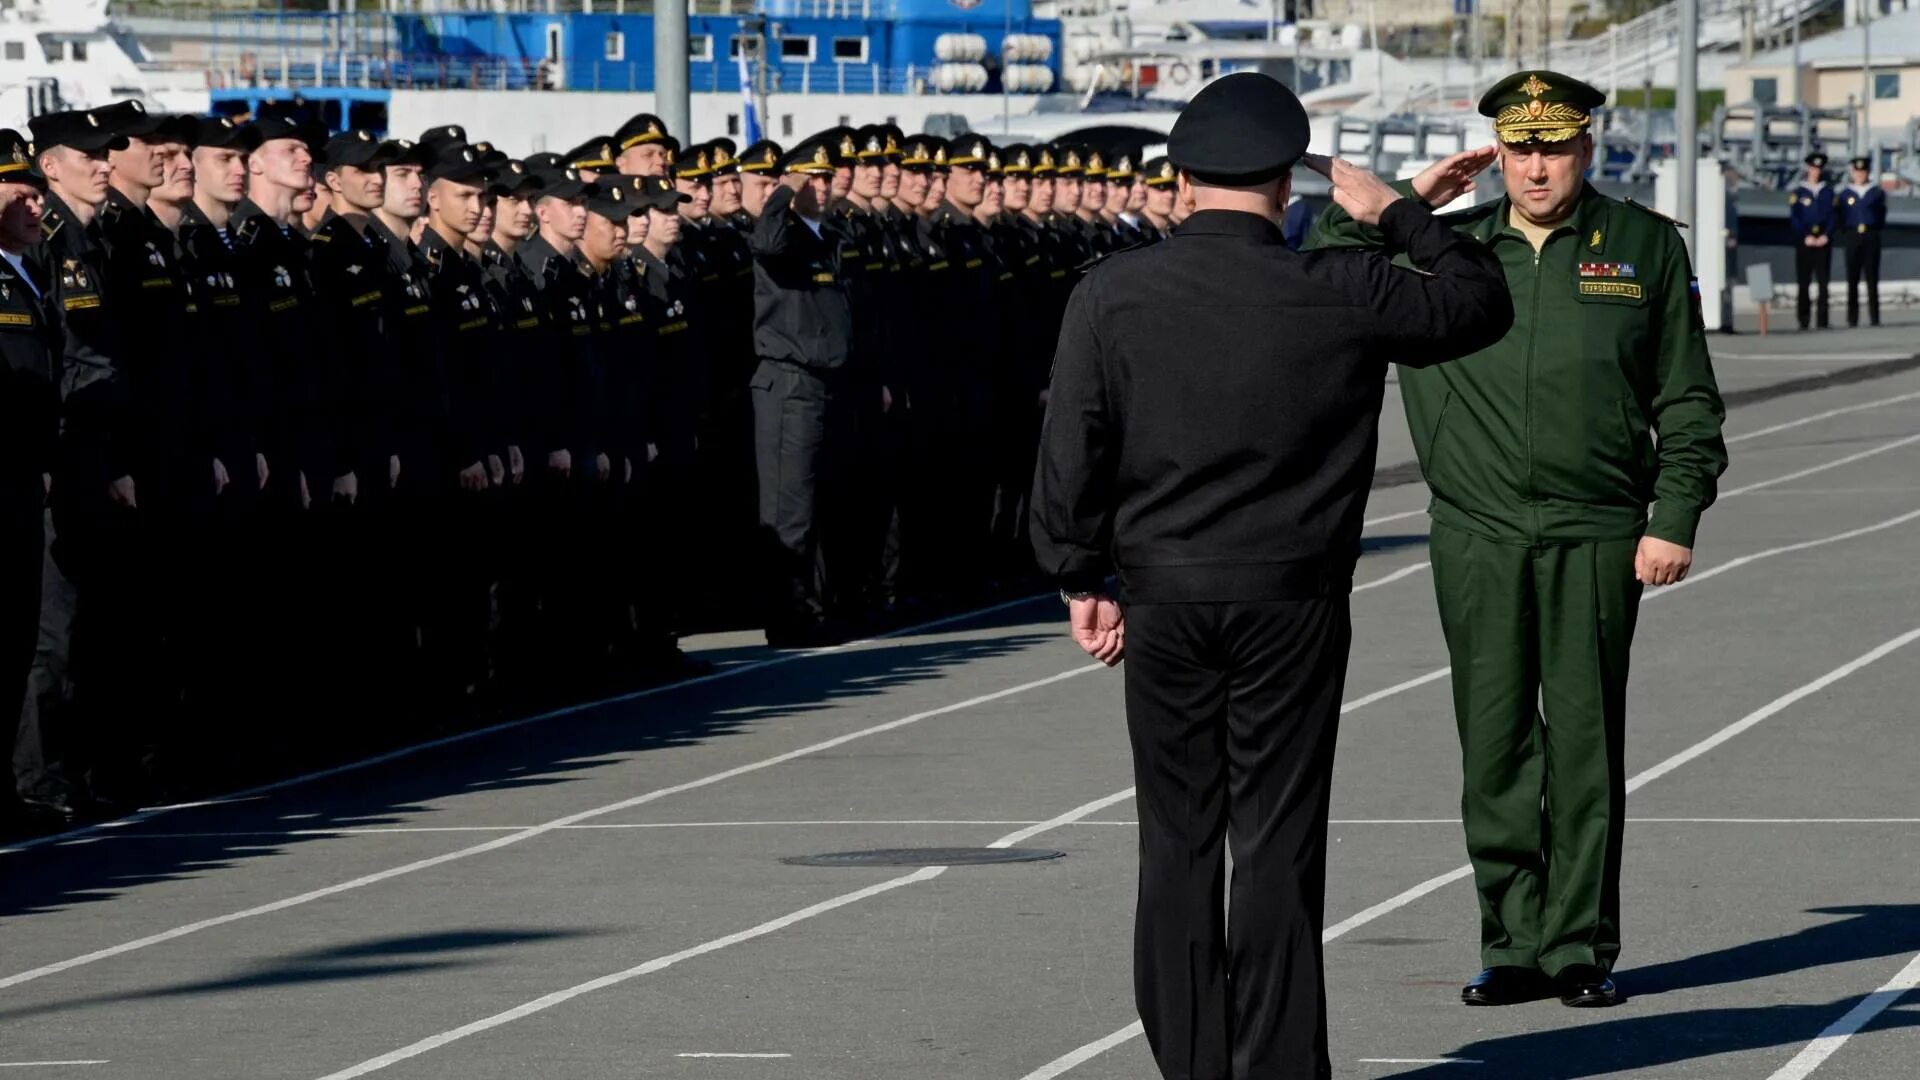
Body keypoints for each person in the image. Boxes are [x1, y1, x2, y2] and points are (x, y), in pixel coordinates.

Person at [1031, 72, 1514, 1080]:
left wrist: (1082, 578)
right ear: (1289, 185)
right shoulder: (1334, 285)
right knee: (1278, 841)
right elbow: (1478, 304)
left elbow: (1069, 450)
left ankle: (1194, 1066)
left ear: (1179, 178)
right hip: (1293, 598)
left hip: (1164, 595)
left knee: (1177, 843)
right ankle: (1282, 1066)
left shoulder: (1114, 293)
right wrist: (1402, 211)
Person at [1309, 68, 1730, 1010]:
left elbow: (1688, 398)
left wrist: (1673, 517)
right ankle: (1511, 940)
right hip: (1478, 531)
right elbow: (1318, 266)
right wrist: (1407, 202)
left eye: (1555, 146)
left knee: (1582, 743)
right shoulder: (1444, 252)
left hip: (1597, 530)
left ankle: (1577, 945)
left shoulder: (1643, 246)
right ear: (1494, 152)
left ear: (1588, 147)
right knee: (1494, 743)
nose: (1537, 166)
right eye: (1520, 147)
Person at [748, 134, 853, 647]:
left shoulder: (825, 234)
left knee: (816, 504)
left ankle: (813, 606)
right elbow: (765, 241)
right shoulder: (782, 231)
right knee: (788, 509)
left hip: (822, 383)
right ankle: (788, 617)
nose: (823, 185)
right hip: (788, 383)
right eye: (813, 176)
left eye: (827, 176)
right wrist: (782, 189)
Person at [0, 129, 62, 829]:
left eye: (33, 184)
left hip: (24, 483)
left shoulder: (29, 271)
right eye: (13, 182)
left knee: (19, 640)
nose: (29, 195)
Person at [1789, 151, 1835, 331]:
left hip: (1823, 240)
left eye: (1819, 168)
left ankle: (1823, 320)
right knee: (1804, 282)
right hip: (1805, 241)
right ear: (1809, 168)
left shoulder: (1827, 192)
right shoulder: (1799, 193)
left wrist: (1826, 235)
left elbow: (1832, 216)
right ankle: (1803, 319)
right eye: (1813, 168)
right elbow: (1795, 218)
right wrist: (1805, 236)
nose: (1816, 171)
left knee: (1823, 283)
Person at [1837, 154, 1885, 328]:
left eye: (1863, 171)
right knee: (1852, 279)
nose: (1860, 175)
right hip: (1852, 236)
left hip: (1871, 235)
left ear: (1867, 173)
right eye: (1857, 172)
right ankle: (1852, 318)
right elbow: (1840, 216)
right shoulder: (1844, 194)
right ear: (1852, 172)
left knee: (1872, 278)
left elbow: (1881, 215)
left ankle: (1874, 317)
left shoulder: (1876, 193)